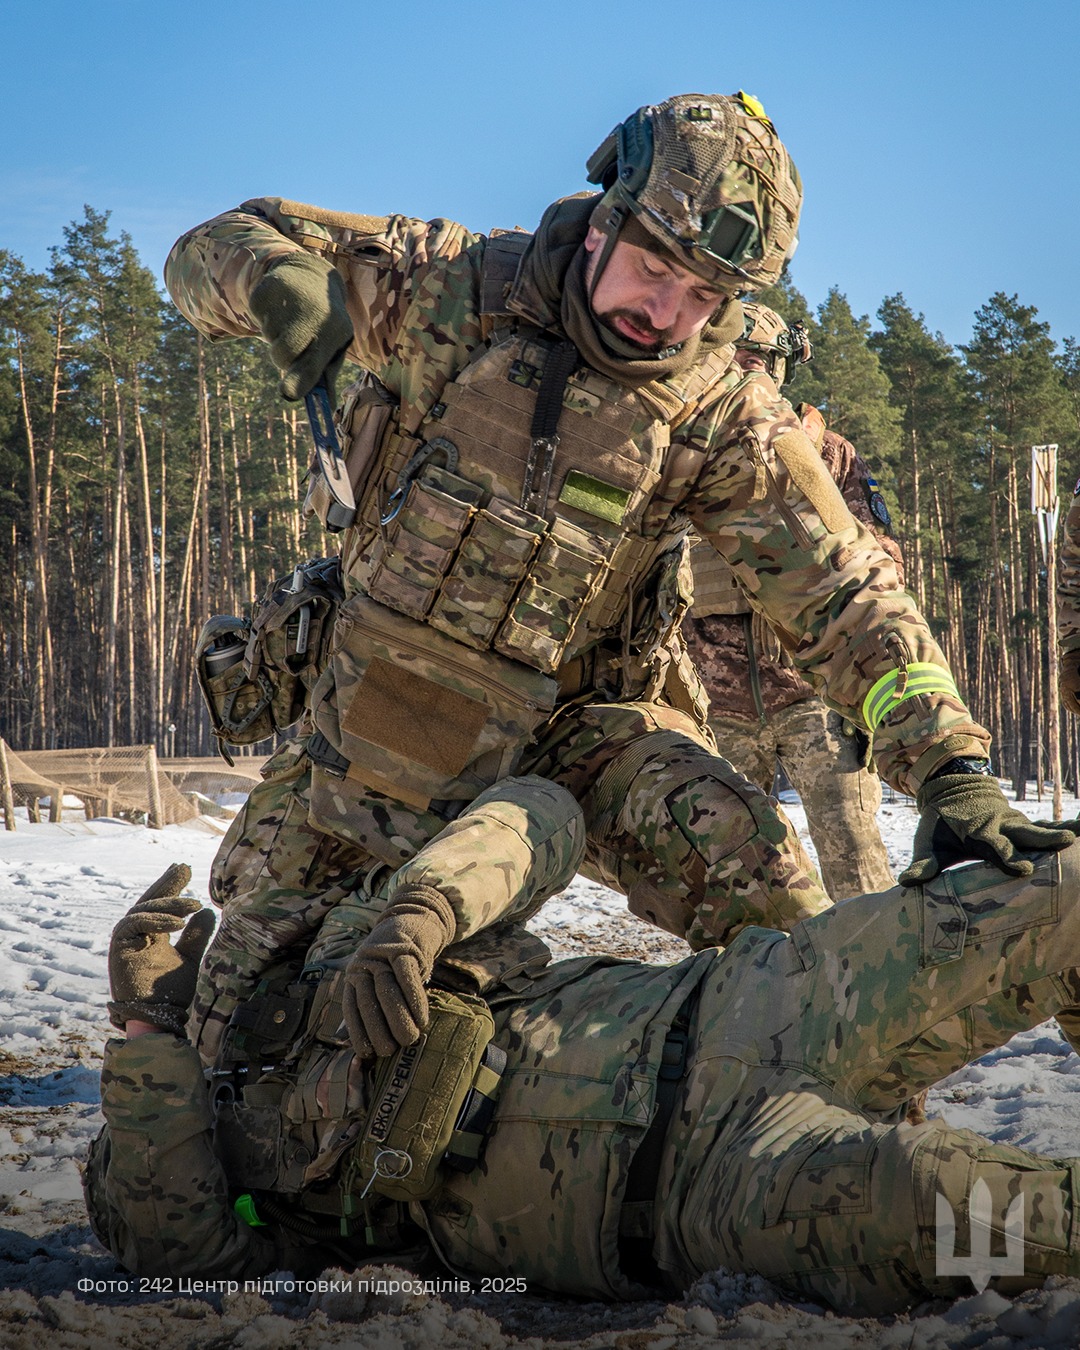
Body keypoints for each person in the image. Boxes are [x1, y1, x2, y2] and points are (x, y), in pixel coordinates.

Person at [164, 91, 1073, 1072]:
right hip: (377, 731)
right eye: (655, 270)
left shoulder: (721, 411)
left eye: (708, 298)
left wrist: (951, 768)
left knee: (783, 911)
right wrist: (272, 285)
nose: (667, 315)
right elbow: (217, 241)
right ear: (606, 215)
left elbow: (845, 596)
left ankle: (835, 1142)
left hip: (579, 738)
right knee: (247, 1044)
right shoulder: (449, 293)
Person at [86, 836, 1080, 1317]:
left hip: (752, 997)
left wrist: (422, 913)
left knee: (1053, 888)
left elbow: (541, 812)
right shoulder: (195, 1138)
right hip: (707, 1188)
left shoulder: (365, 919)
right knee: (962, 1211)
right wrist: (145, 1037)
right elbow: (185, 1247)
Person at [684, 303, 900, 899]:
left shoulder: (828, 453)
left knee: (854, 857)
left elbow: (881, 559)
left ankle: (878, 980)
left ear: (782, 371)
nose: (747, 371)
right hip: (715, 702)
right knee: (734, 878)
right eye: (735, 358)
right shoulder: (685, 449)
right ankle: (747, 990)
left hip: (814, 695)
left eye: (761, 361)